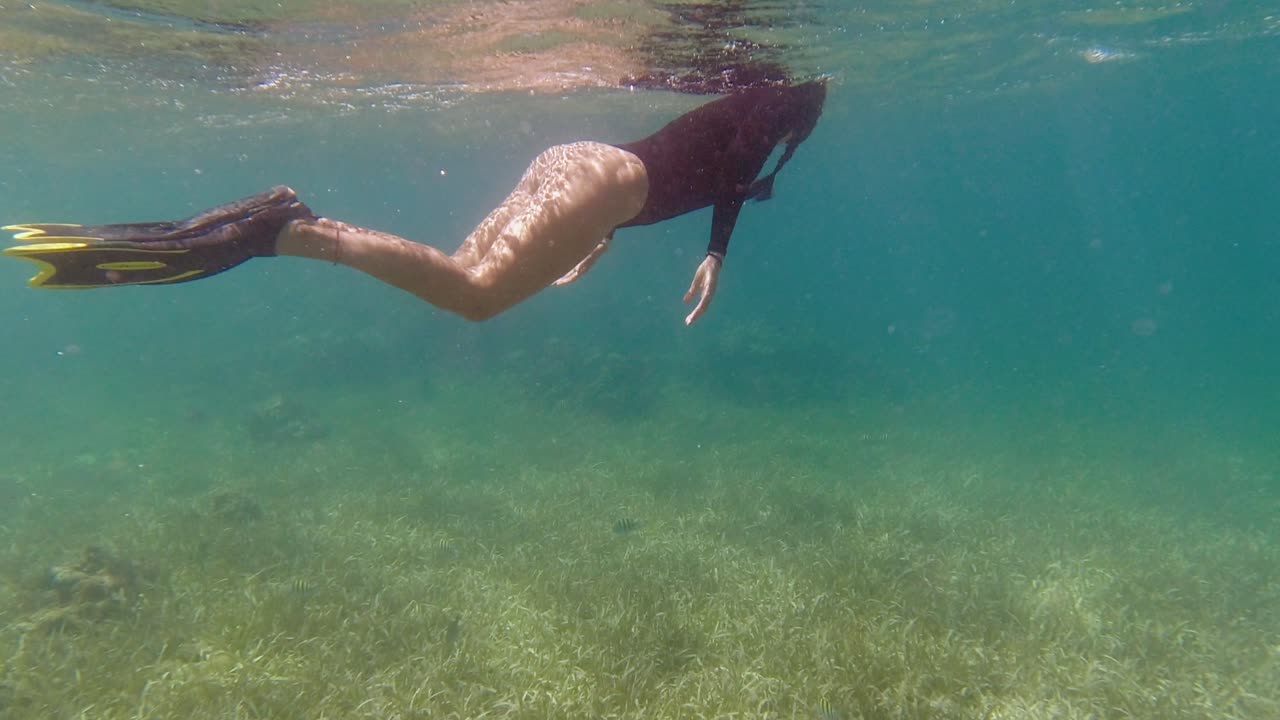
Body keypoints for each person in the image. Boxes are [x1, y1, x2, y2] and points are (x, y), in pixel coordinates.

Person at [4, 81, 826, 325]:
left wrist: (597, 225)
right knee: (475, 297)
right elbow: (727, 175)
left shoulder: (750, 104)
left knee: (465, 270)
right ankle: (284, 231)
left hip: (583, 163)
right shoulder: (788, 108)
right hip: (602, 184)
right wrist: (716, 248)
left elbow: (694, 159)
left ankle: (284, 224)